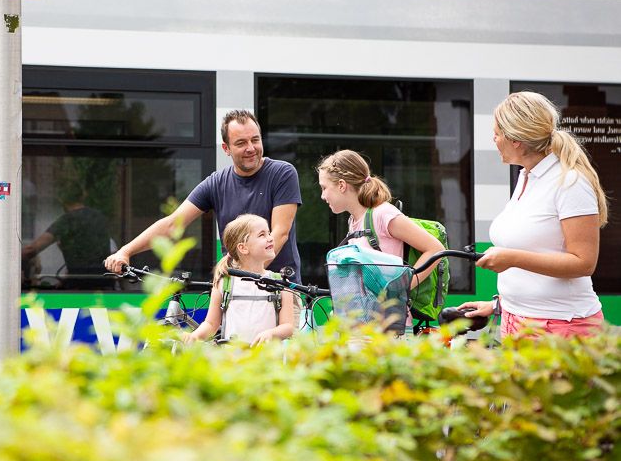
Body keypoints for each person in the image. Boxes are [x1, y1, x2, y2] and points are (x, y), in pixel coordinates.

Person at [457, 91, 608, 338]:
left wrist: (512, 258)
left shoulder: (569, 182)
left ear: (516, 140)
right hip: (516, 320)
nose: (493, 140)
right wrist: (497, 306)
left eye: (496, 134)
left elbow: (584, 262)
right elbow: (537, 249)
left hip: (560, 327)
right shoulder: (527, 176)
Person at [104, 110, 302, 281]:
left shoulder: (282, 173)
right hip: (235, 290)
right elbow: (173, 224)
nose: (251, 148)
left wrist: (245, 274)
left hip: (280, 288)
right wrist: (125, 251)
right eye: (241, 143)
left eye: (255, 140)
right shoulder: (216, 183)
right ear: (226, 148)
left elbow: (280, 233)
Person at [317, 149, 445, 289]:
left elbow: (435, 249)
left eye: (324, 188)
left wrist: (401, 289)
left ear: (342, 185)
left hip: (391, 311)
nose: (322, 196)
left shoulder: (383, 214)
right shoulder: (353, 221)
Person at [183, 214, 295, 346]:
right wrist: (195, 336)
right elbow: (211, 324)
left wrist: (272, 333)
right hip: (232, 362)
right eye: (262, 235)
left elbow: (288, 326)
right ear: (243, 248)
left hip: (267, 362)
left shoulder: (280, 283)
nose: (270, 238)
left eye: (269, 233)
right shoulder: (224, 283)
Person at [22, 200, 113, 290]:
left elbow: (31, 250)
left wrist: (12, 257)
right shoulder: (99, 218)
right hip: (105, 288)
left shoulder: (68, 220)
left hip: (80, 289)